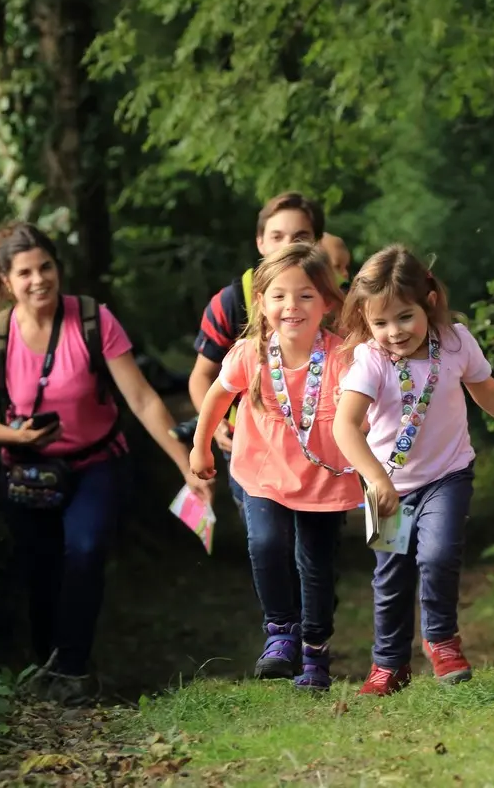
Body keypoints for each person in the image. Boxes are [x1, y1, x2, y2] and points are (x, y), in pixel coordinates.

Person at [0, 222, 210, 705]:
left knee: (86, 549)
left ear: (59, 268)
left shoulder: (93, 321)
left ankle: (74, 669)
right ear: (6, 281)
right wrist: (16, 435)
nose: (39, 280)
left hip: (97, 463)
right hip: (29, 470)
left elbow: (141, 399)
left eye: (46, 267)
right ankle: (48, 661)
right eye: (26, 272)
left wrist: (187, 463)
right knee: (41, 569)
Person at [333, 245, 494, 696]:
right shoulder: (370, 360)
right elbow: (344, 427)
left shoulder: (454, 342)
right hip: (387, 486)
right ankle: (388, 665)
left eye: (404, 317)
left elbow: (487, 391)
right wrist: (376, 480)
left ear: (429, 302)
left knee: (436, 556)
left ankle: (442, 641)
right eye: (380, 323)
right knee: (391, 575)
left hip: (447, 477)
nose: (393, 332)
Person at [188, 243, 360, 690]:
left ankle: (316, 653)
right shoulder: (250, 354)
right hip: (262, 474)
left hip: (324, 481)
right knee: (265, 543)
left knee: (316, 565)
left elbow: (368, 413)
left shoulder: (344, 358)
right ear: (261, 303)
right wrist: (200, 446)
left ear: (326, 302)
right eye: (279, 296)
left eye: (305, 295)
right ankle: (281, 632)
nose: (292, 306)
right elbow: (216, 398)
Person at [185, 192, 327, 521]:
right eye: (277, 237)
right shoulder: (231, 302)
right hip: (250, 449)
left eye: (300, 237)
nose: (287, 246)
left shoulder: (332, 301)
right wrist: (215, 426)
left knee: (311, 557)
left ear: (317, 244)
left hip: (317, 456)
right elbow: (201, 376)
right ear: (261, 242)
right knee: (268, 546)